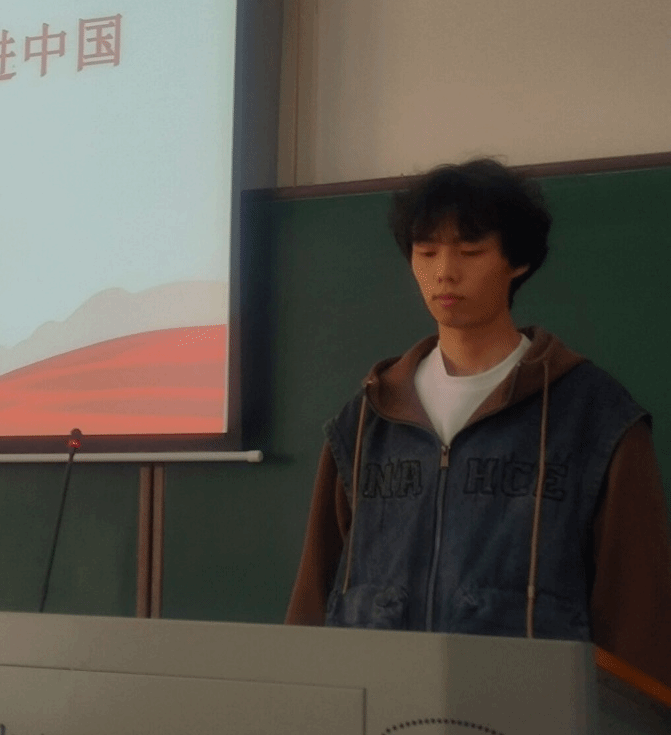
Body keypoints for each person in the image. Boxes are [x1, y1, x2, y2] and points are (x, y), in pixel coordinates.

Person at [285, 158, 671, 688]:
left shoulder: (594, 415)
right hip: (380, 703)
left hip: (529, 708)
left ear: (518, 262)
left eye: (470, 252)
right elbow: (317, 587)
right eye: (426, 252)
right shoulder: (367, 417)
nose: (445, 271)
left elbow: (636, 610)